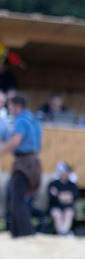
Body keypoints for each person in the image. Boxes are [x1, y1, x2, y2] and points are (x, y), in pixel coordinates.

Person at [0, 93, 43, 237]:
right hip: (33, 161)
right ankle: (17, 232)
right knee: (19, 198)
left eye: (10, 105)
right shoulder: (33, 118)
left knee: (17, 199)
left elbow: (15, 142)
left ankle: (26, 233)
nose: (9, 108)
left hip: (24, 162)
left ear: (18, 106)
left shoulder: (21, 120)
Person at [47, 161, 78, 236]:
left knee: (69, 213)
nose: (67, 174)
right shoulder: (53, 184)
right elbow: (53, 198)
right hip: (55, 206)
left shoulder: (72, 185)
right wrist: (66, 196)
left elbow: (74, 197)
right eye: (66, 172)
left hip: (68, 207)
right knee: (57, 214)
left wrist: (59, 194)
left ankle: (63, 232)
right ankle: (61, 234)